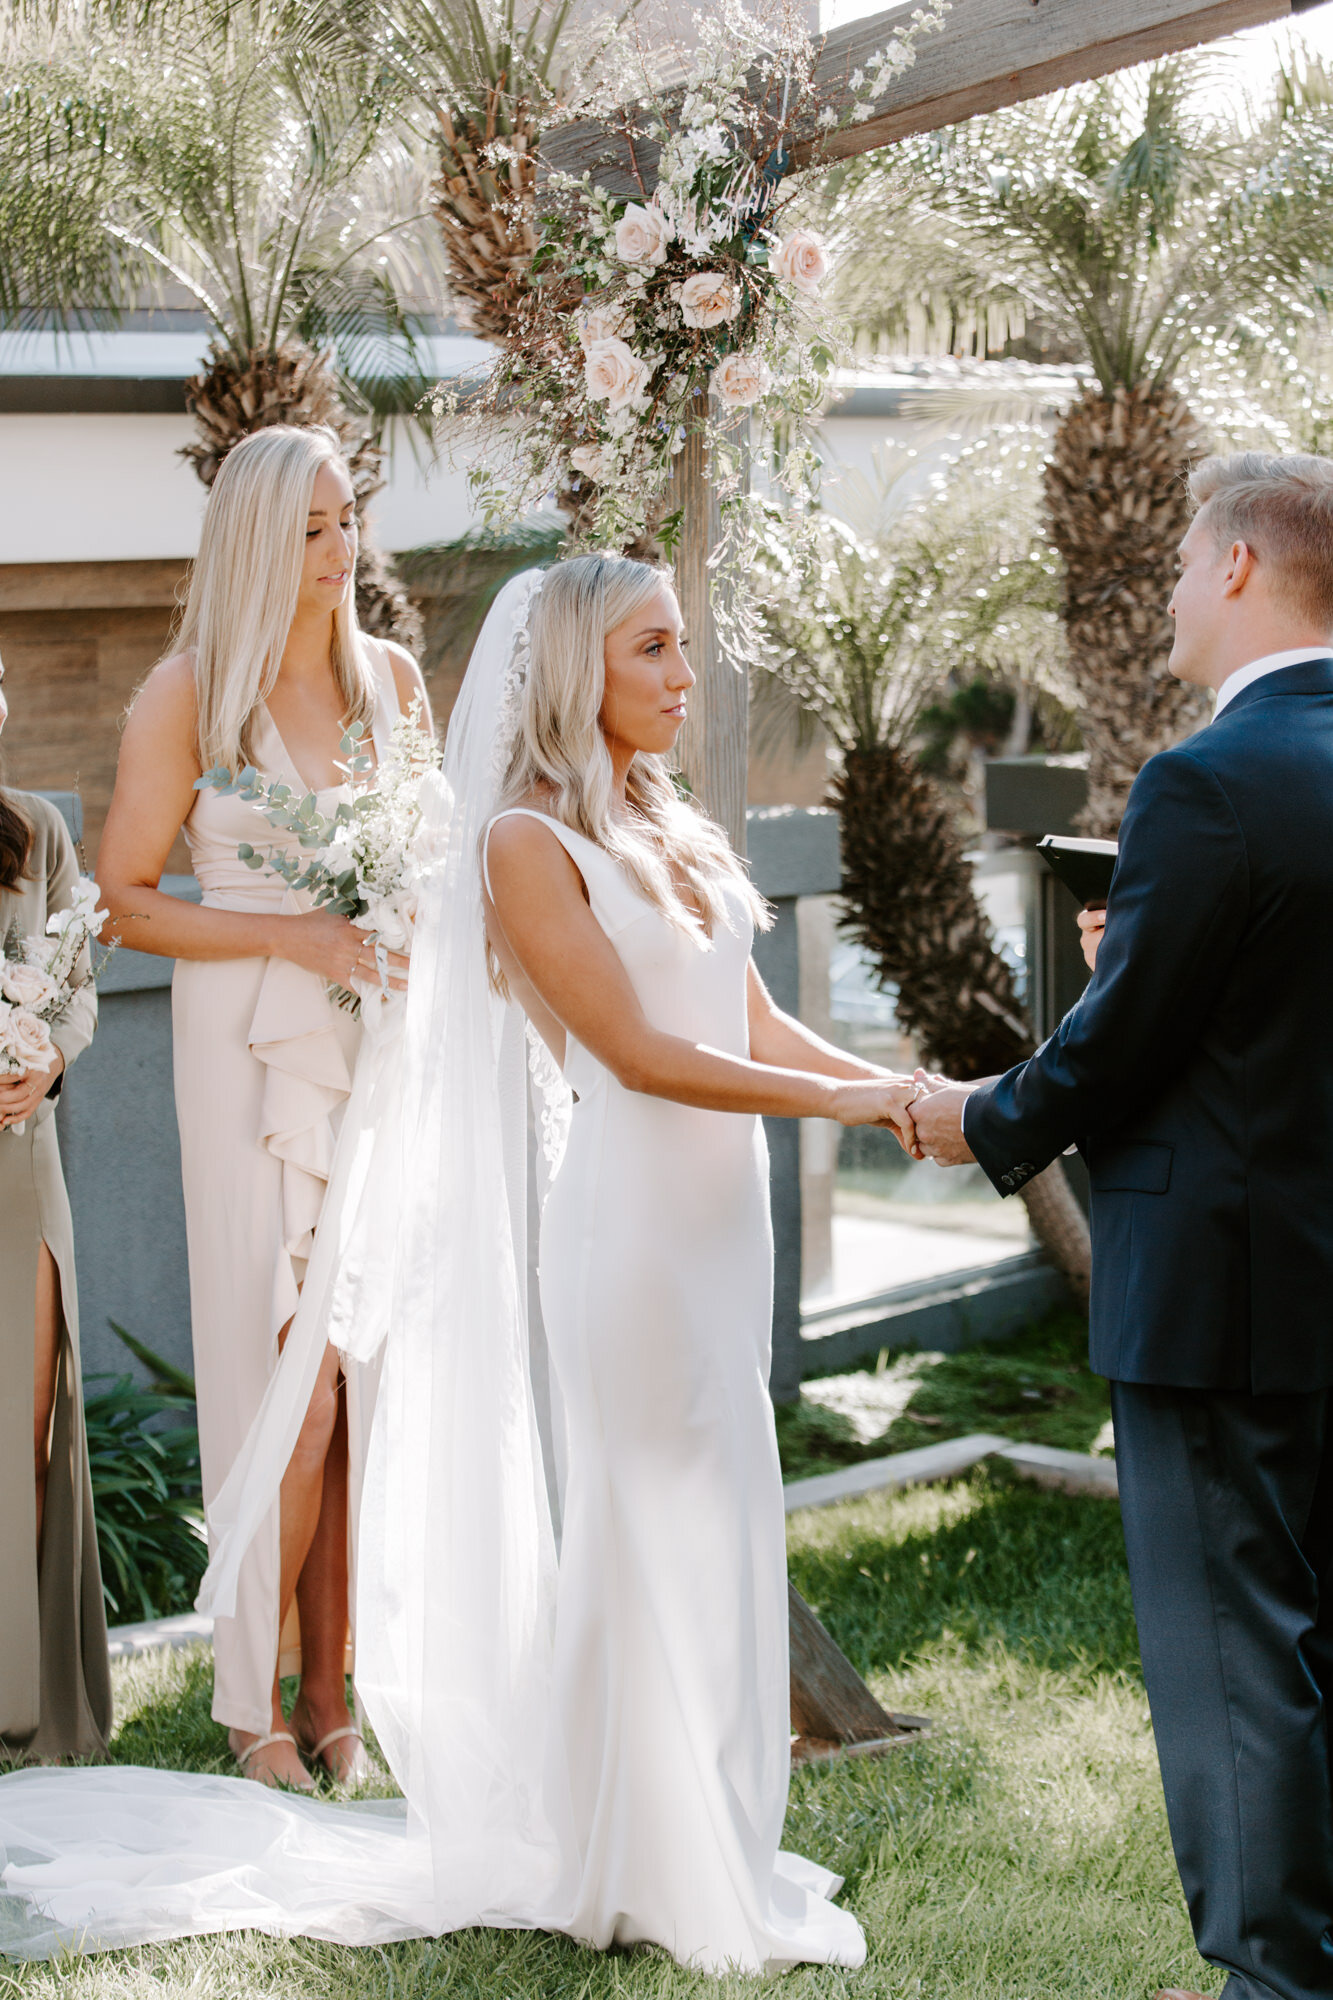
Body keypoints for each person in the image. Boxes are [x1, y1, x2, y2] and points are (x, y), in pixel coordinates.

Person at [0, 556, 919, 1970]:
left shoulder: (672, 819)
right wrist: (860, 1111)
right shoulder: (525, 847)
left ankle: (704, 1831)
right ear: (573, 672)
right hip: (632, 1232)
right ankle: (634, 1855)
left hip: (719, 1231)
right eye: (655, 649)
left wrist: (914, 1092)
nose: (687, 676)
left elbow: (748, 1022)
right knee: (641, 1527)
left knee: (722, 1513)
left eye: (684, 646)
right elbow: (641, 1055)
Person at [911, 453, 1333, 2000]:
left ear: (1235, 569)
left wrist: (981, 1116)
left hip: (1216, 1293)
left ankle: (1275, 1982)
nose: (1159, 589)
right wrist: (1143, 944)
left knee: (1235, 1655)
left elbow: (1117, 1056)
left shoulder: (1202, 781)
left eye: (1174, 562)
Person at [97, 425, 425, 1790]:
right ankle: (252, 1707)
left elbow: (433, 859)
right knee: (276, 1377)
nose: (338, 551)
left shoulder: (390, 682)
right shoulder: (189, 698)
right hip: (242, 1050)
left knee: (359, 1382)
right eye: (308, 529)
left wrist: (400, 930)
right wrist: (288, 936)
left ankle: (335, 1695)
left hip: (372, 1046)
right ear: (251, 540)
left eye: (347, 520)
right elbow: (123, 899)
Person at [0, 653, 111, 1765]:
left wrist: (48, 1066)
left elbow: (74, 988)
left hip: (20, 1167)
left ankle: (25, 1706)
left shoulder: (35, 831)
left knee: (25, 1435)